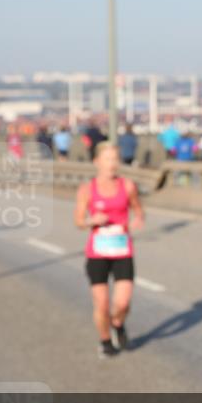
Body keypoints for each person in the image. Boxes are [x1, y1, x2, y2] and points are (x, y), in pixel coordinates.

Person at [74, 142, 144, 358]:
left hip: (122, 251)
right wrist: (91, 221)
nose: (112, 164)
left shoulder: (128, 186)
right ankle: (105, 341)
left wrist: (137, 221)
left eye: (115, 159)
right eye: (107, 159)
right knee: (102, 303)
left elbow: (138, 211)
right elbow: (78, 220)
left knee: (122, 303)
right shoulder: (87, 189)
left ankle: (118, 324)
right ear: (97, 162)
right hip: (97, 253)